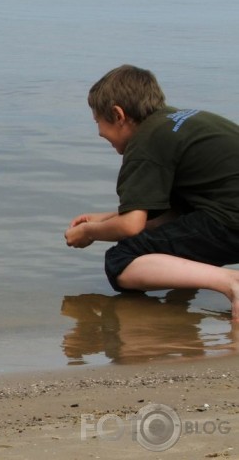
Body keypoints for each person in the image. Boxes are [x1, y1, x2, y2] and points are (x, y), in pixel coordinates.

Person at [65, 64, 239, 321]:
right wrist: (104, 219)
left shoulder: (144, 144)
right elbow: (169, 215)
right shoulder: (184, 121)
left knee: (121, 260)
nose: (100, 133)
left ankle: (231, 283)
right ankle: (187, 305)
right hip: (228, 209)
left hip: (231, 220)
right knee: (180, 221)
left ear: (118, 114)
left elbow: (132, 226)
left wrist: (89, 232)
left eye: (98, 121)